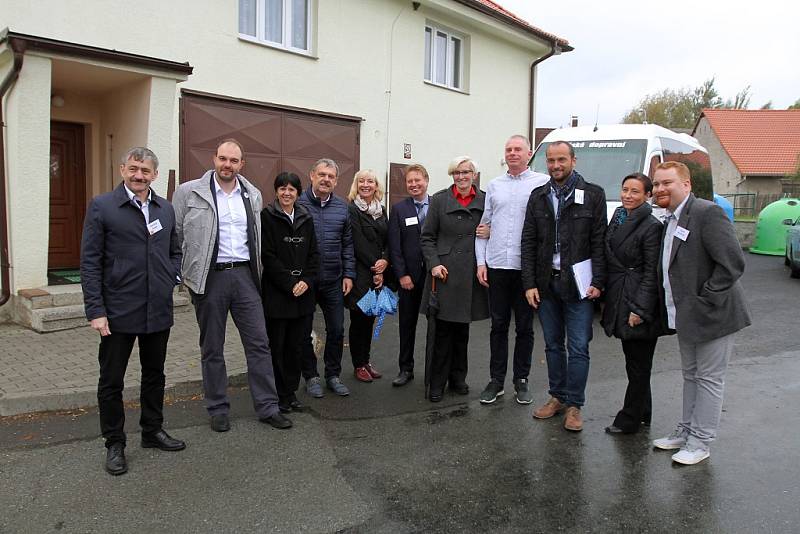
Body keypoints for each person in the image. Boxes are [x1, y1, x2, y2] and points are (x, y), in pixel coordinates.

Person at [172, 139, 291, 432]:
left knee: (259, 344)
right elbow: (175, 235)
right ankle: (218, 408)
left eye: (234, 161)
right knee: (213, 347)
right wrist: (182, 274)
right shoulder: (189, 192)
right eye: (223, 158)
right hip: (210, 278)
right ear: (214, 159)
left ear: (242, 164)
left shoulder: (252, 194)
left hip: (245, 278)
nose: (228, 165)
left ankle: (267, 407)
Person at [81, 147, 185, 476]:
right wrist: (96, 310)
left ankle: (152, 431)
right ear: (122, 169)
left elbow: (175, 250)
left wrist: (171, 275)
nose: (139, 175)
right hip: (118, 311)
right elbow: (90, 262)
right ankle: (114, 442)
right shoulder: (103, 206)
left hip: (157, 309)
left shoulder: (165, 209)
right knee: (112, 380)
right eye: (133, 168)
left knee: (154, 375)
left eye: (145, 170)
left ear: (155, 174)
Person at [651, 161, 751, 465]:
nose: (659, 189)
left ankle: (701, 442)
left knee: (708, 378)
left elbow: (733, 263)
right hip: (686, 314)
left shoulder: (707, 213)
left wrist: (704, 299)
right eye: (656, 184)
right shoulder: (670, 219)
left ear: (686, 185)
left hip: (713, 315)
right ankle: (686, 431)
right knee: (691, 376)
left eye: (667, 182)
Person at [520, 141, 607, 432]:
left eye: (561, 160)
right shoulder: (538, 195)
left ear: (573, 160)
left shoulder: (593, 194)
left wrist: (598, 281)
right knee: (553, 345)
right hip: (546, 283)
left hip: (578, 285)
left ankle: (575, 406)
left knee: (579, 347)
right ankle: (557, 396)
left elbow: (599, 241)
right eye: (551, 160)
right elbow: (529, 241)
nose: (556, 165)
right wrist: (529, 283)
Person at [474, 135, 549, 405]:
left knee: (526, 328)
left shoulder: (541, 183)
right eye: (509, 150)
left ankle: (522, 380)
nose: (513, 153)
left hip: (526, 269)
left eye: (518, 149)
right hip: (497, 265)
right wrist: (481, 262)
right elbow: (484, 226)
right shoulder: (494, 185)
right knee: (498, 326)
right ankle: (496, 380)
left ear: (529, 154)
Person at [420, 156, 489, 402]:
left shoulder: (484, 199)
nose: (461, 177)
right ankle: (437, 382)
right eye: (456, 173)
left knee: (462, 330)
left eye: (465, 172)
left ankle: (458, 378)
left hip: (470, 272)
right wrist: (434, 264)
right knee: (442, 332)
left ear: (474, 175)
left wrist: (490, 231)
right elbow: (427, 238)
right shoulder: (439, 200)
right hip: (444, 274)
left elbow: (495, 228)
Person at [600, 173, 664, 435]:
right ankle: (643, 412)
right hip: (620, 295)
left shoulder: (651, 226)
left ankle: (629, 419)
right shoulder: (618, 216)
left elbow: (652, 273)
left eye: (635, 191)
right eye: (625, 189)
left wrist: (640, 309)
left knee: (638, 364)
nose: (628, 195)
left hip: (637, 299)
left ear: (647, 195)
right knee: (635, 362)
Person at [260, 172, 320, 414]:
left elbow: (314, 254)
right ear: (276, 191)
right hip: (278, 294)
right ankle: (278, 395)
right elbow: (268, 256)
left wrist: (305, 280)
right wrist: (289, 282)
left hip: (303, 294)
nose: (287, 193)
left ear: (298, 192)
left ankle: (291, 393)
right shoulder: (267, 216)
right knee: (278, 346)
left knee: (297, 347)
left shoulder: (306, 217)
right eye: (282, 188)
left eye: (292, 189)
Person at [297, 158, 356, 397]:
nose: (326, 179)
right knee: (302, 331)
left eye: (331, 177)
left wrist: (349, 274)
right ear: (311, 175)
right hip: (307, 282)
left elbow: (348, 244)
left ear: (336, 181)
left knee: (337, 330)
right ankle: (310, 376)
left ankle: (333, 374)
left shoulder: (342, 208)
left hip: (333, 280)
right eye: (322, 174)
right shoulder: (298, 204)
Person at [345, 169, 393, 382]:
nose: (366, 185)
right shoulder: (352, 210)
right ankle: (358, 365)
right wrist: (376, 267)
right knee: (359, 322)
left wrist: (385, 261)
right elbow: (357, 243)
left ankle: (366, 361)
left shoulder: (381, 210)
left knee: (370, 321)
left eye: (370, 181)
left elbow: (388, 239)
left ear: (376, 186)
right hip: (361, 275)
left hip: (378, 274)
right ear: (356, 184)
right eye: (361, 181)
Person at [387, 164, 430, 386]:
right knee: (407, 324)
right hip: (409, 279)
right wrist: (402, 274)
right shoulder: (399, 209)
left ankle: (434, 370)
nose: (413, 184)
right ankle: (406, 368)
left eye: (417, 180)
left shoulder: (437, 206)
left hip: (434, 277)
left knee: (436, 326)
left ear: (426, 180)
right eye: (409, 181)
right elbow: (395, 247)